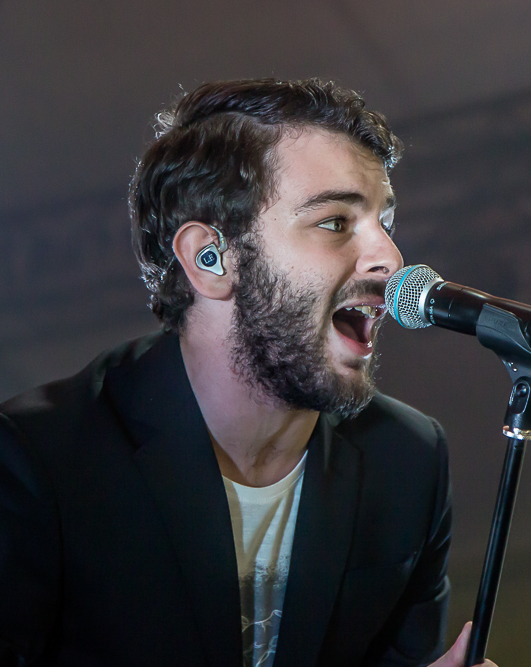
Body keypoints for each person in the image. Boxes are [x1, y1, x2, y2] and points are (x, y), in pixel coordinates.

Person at [0, 78, 496, 667]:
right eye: (335, 221)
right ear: (210, 260)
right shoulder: (42, 457)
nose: (390, 257)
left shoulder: (408, 461)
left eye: (384, 222)